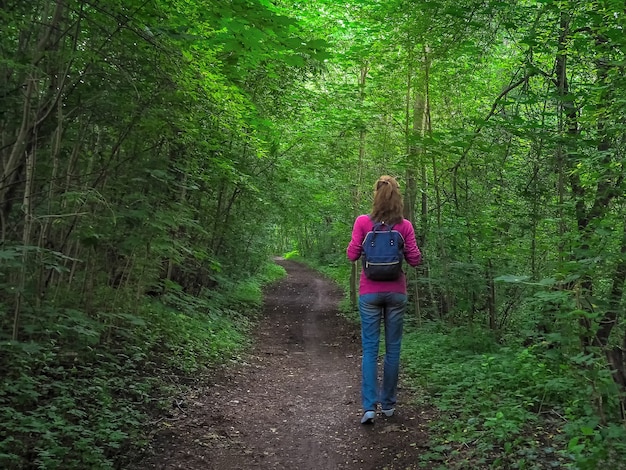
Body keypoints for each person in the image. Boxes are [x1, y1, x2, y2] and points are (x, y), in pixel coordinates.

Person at [346, 175, 422, 424]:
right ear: (397, 197)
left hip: (369, 293)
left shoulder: (362, 222)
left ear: (375, 195)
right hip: (396, 293)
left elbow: (351, 255)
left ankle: (369, 407)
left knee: (370, 349)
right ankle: (388, 405)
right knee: (393, 350)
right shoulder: (405, 226)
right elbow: (415, 259)